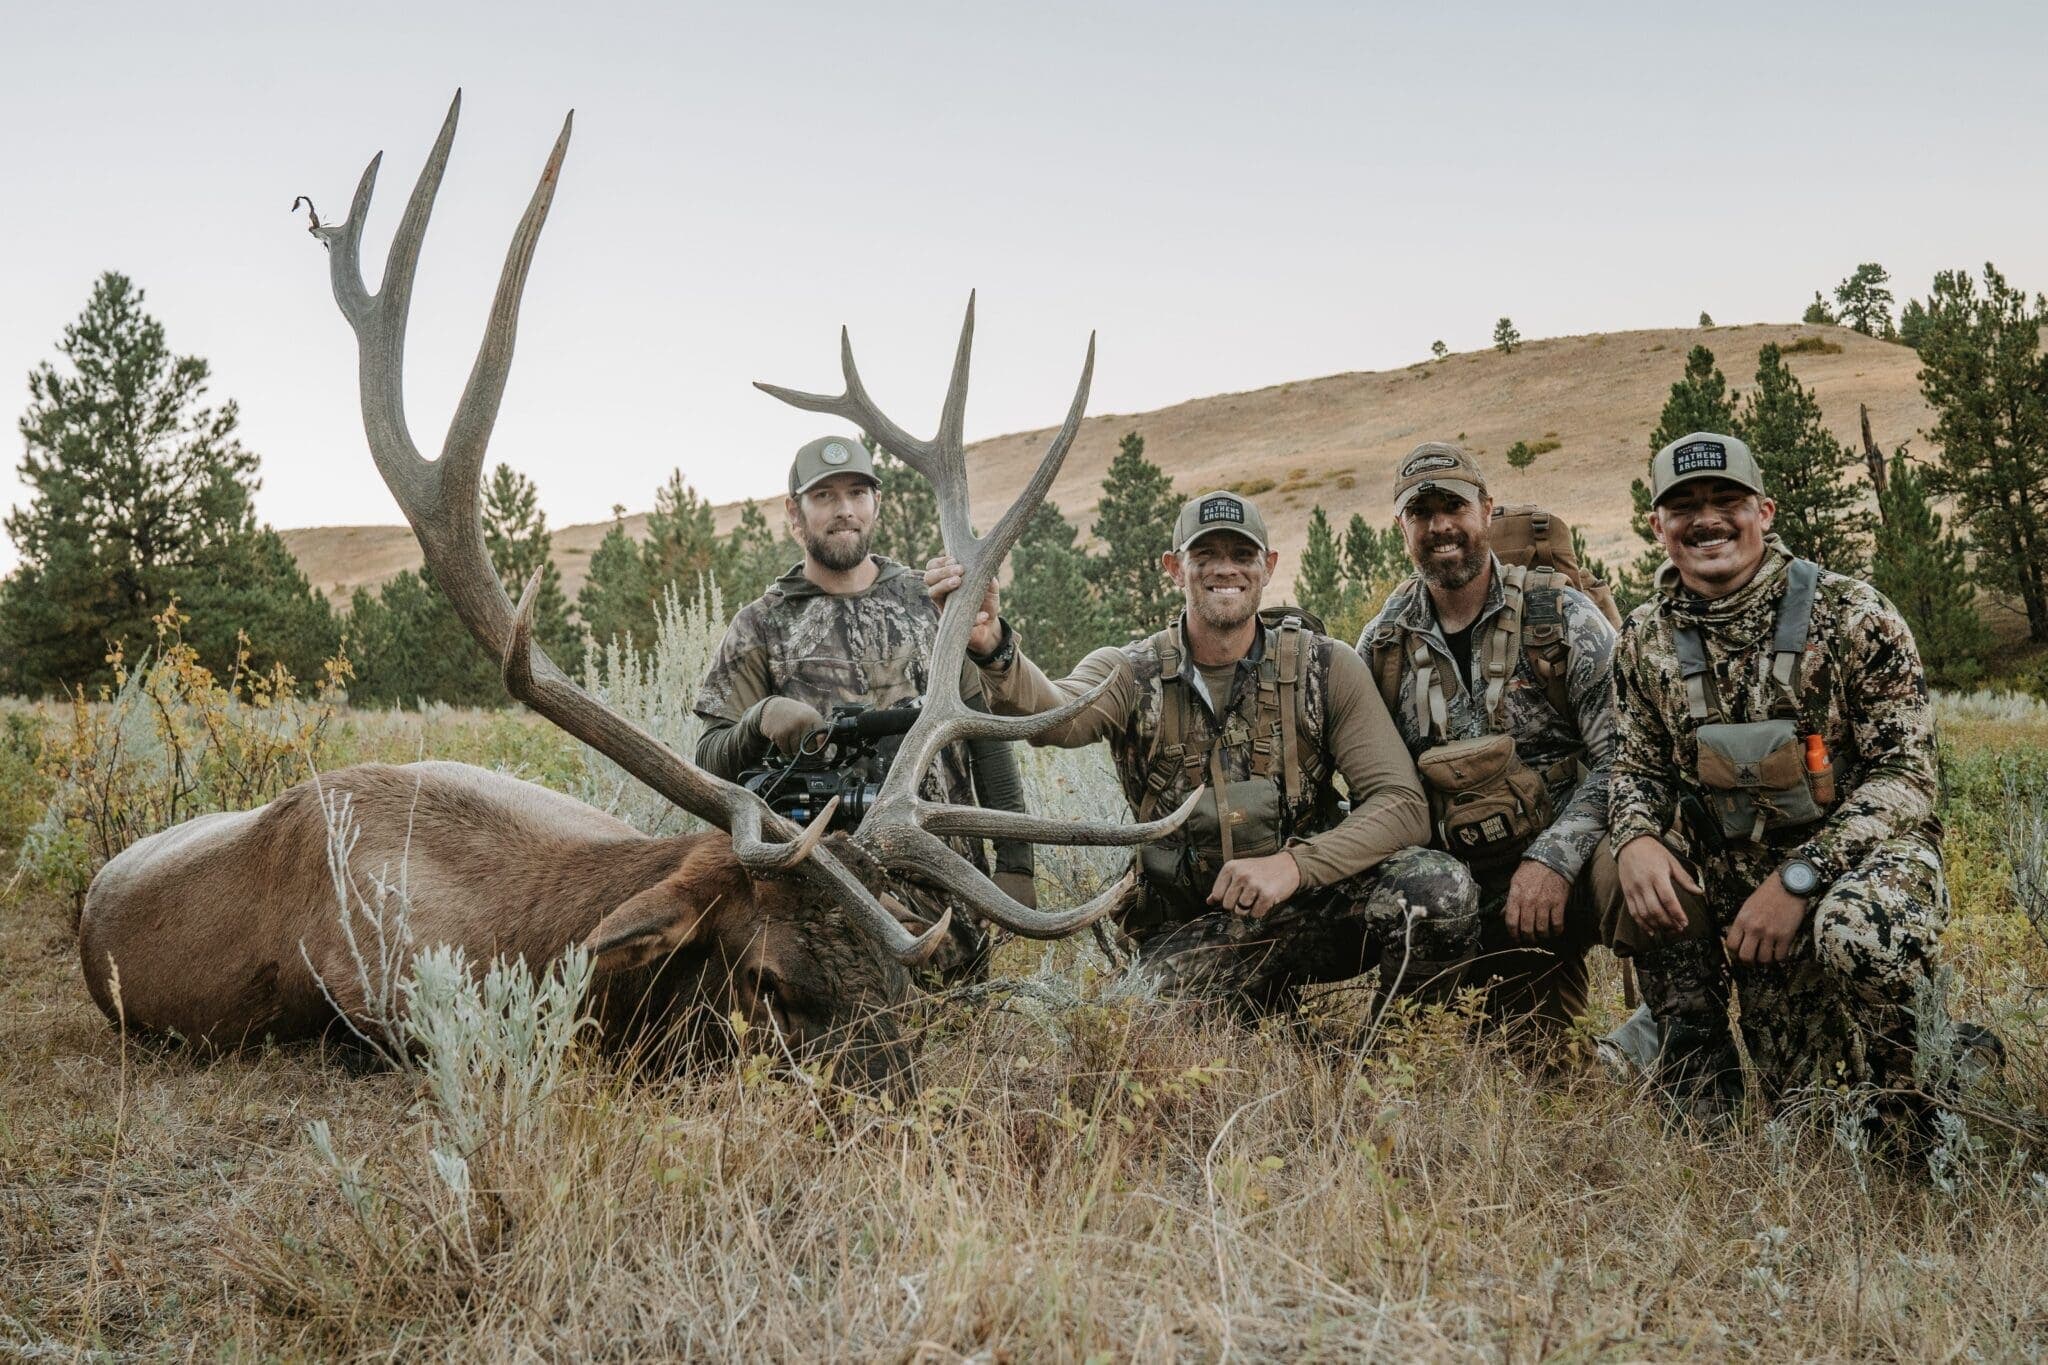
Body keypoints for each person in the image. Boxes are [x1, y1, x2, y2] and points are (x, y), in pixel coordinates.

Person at [926, 489, 1481, 1015]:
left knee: (1436, 888)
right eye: (1205, 554)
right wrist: (993, 644)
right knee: (1142, 1025)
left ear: (1269, 565)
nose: (1225, 568)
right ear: (1174, 568)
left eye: (1243, 554)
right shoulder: (1130, 671)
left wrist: (1294, 865)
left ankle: (1384, 1067)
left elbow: (1403, 805)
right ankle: (1261, 1012)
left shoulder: (1326, 666)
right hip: (1194, 930)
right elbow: (1055, 718)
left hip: (1316, 902)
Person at [1609, 430, 1992, 1126]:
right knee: (1807, 1108)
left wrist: (1800, 877)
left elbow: (1906, 777)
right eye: (1683, 504)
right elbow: (1634, 765)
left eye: (1726, 498)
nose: (1707, 519)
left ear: (1766, 510)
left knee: (1860, 949)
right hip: (1738, 887)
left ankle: (1940, 1070)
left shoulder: (1854, 614)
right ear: (1657, 524)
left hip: (1857, 870)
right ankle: (1697, 1077)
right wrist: (1634, 835)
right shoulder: (1641, 639)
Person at [694, 434, 1036, 971]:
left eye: (857, 492)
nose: (844, 510)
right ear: (794, 513)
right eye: (824, 497)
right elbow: (708, 763)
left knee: (961, 1035)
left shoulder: (933, 603)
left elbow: (985, 739)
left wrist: (1017, 864)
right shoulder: (758, 626)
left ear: (877, 503)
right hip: (826, 900)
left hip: (952, 887)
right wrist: (759, 720)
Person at [1354, 442, 1627, 1047]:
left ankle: (1682, 1041)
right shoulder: (1380, 646)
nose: (1440, 526)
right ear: (1403, 527)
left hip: (1563, 867)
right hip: (1451, 883)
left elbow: (1625, 760)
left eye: (1453, 506)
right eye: (1421, 513)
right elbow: (1368, 787)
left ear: (1485, 508)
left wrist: (1554, 856)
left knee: (1642, 872)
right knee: (1515, 1068)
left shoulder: (1564, 618)